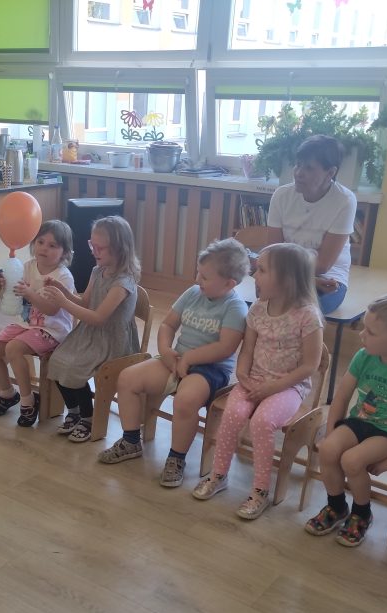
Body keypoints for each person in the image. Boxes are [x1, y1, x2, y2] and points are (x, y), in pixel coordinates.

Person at [98, 239, 249, 490]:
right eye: (198, 273)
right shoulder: (193, 293)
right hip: (176, 359)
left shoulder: (235, 307)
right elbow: (168, 324)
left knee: (186, 400)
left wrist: (189, 359)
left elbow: (225, 348)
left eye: (205, 277)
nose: (198, 280)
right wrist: (166, 351)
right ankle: (131, 441)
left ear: (229, 284)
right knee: (127, 378)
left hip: (210, 369)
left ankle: (176, 458)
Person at [193, 243, 323, 518]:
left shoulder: (308, 316)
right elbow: (247, 351)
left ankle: (260, 490)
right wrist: (242, 376)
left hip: (288, 387)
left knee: (263, 422)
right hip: (253, 380)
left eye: (262, 270)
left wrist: (273, 387)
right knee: (233, 414)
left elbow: (310, 366)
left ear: (287, 279)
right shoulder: (257, 310)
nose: (254, 275)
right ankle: (219, 474)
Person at [304, 291, 387, 545]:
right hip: (359, 422)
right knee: (328, 450)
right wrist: (332, 433)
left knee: (352, 461)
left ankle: (361, 513)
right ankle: (336, 507)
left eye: (371, 332)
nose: (362, 334)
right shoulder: (364, 356)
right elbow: (342, 397)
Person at [41, 216, 140, 443]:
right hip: (90, 333)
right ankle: (74, 411)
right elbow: (85, 303)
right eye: (91, 245)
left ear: (119, 248)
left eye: (100, 247)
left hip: (112, 341)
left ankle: (88, 417)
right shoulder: (98, 271)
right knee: (57, 360)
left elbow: (99, 318)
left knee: (75, 367)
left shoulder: (123, 282)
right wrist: (62, 289)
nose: (94, 251)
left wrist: (63, 303)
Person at [0, 220, 76, 427]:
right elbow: (14, 300)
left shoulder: (63, 276)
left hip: (52, 331)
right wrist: (7, 288)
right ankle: (8, 393)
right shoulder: (27, 267)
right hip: (25, 325)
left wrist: (29, 293)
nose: (44, 248)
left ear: (64, 252)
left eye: (52, 245)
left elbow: (52, 310)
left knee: (13, 348)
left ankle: (28, 402)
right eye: (41, 242)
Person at [265, 134, 358, 315]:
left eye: (309, 168)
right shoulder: (281, 195)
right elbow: (273, 253)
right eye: (298, 164)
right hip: (285, 275)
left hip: (329, 279)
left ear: (330, 173)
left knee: (303, 310)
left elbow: (322, 265)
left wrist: (305, 279)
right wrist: (305, 279)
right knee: (265, 302)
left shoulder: (345, 200)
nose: (299, 173)